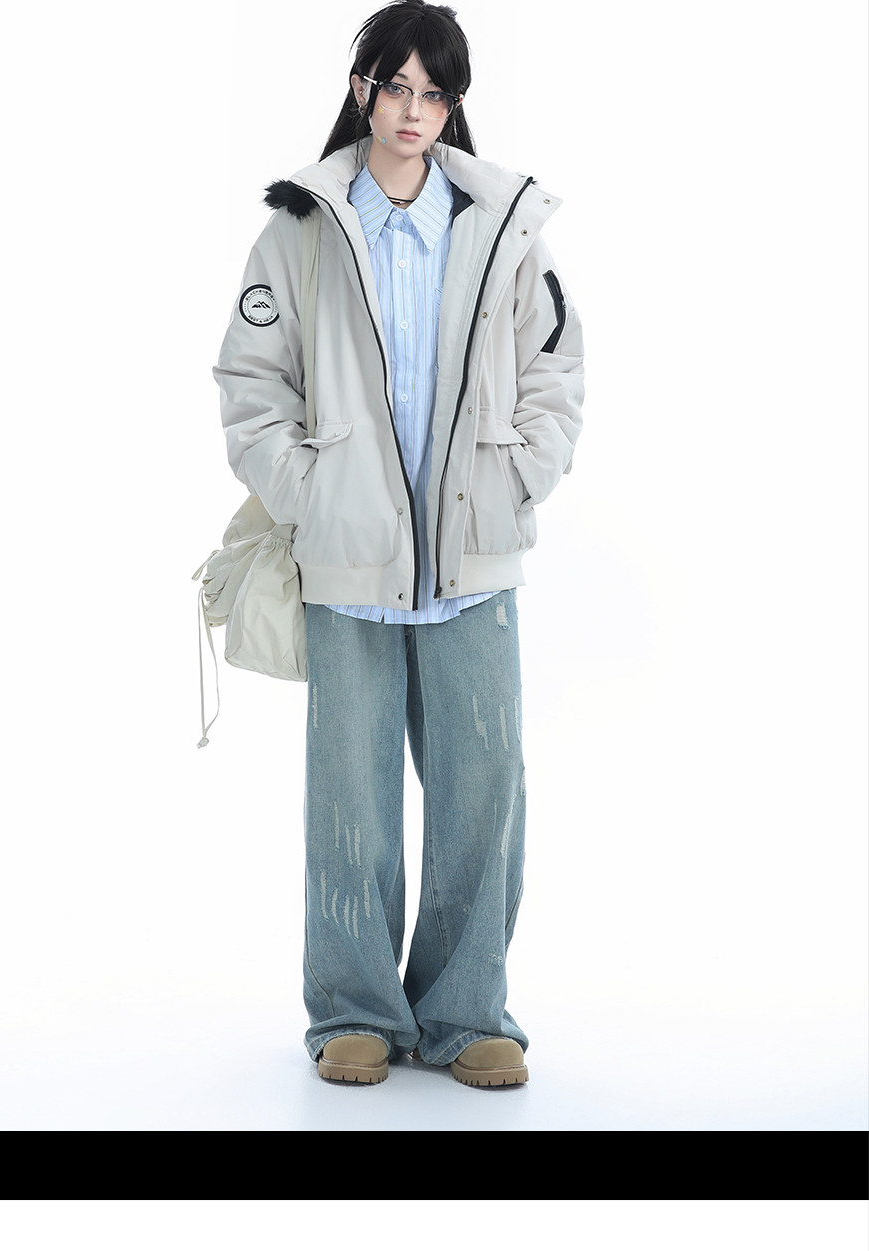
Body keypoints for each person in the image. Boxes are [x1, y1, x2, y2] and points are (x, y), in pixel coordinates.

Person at [213, 0, 585, 1087]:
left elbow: (556, 371)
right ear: (362, 90)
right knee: (350, 800)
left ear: (452, 104)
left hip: (473, 559)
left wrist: (517, 477)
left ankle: (466, 1012)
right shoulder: (301, 229)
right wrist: (313, 493)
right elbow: (249, 381)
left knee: (484, 790)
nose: (412, 110)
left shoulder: (502, 228)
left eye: (434, 92)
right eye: (395, 87)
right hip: (348, 565)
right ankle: (353, 1011)